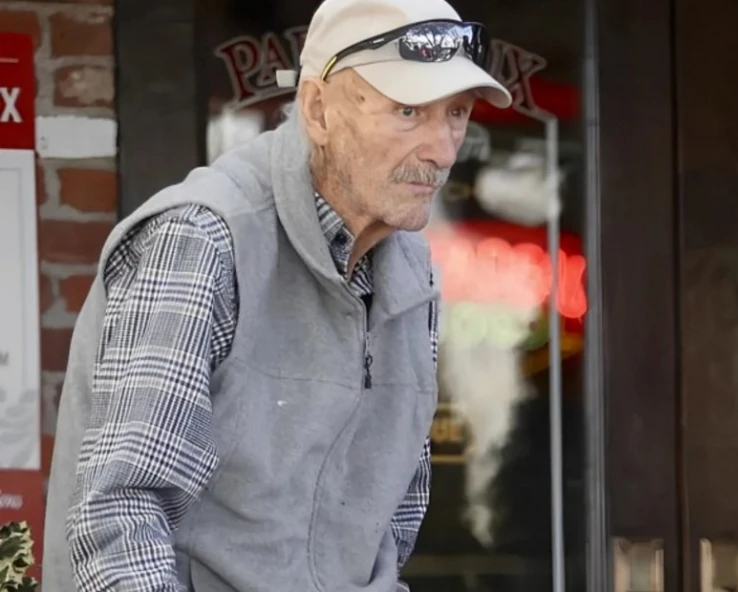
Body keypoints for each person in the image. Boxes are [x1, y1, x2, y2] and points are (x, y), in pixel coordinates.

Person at [41, 0, 512, 590]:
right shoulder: (202, 240)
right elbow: (120, 518)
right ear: (317, 110)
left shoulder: (410, 271)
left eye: (457, 114)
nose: (442, 150)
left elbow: (390, 526)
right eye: (409, 110)